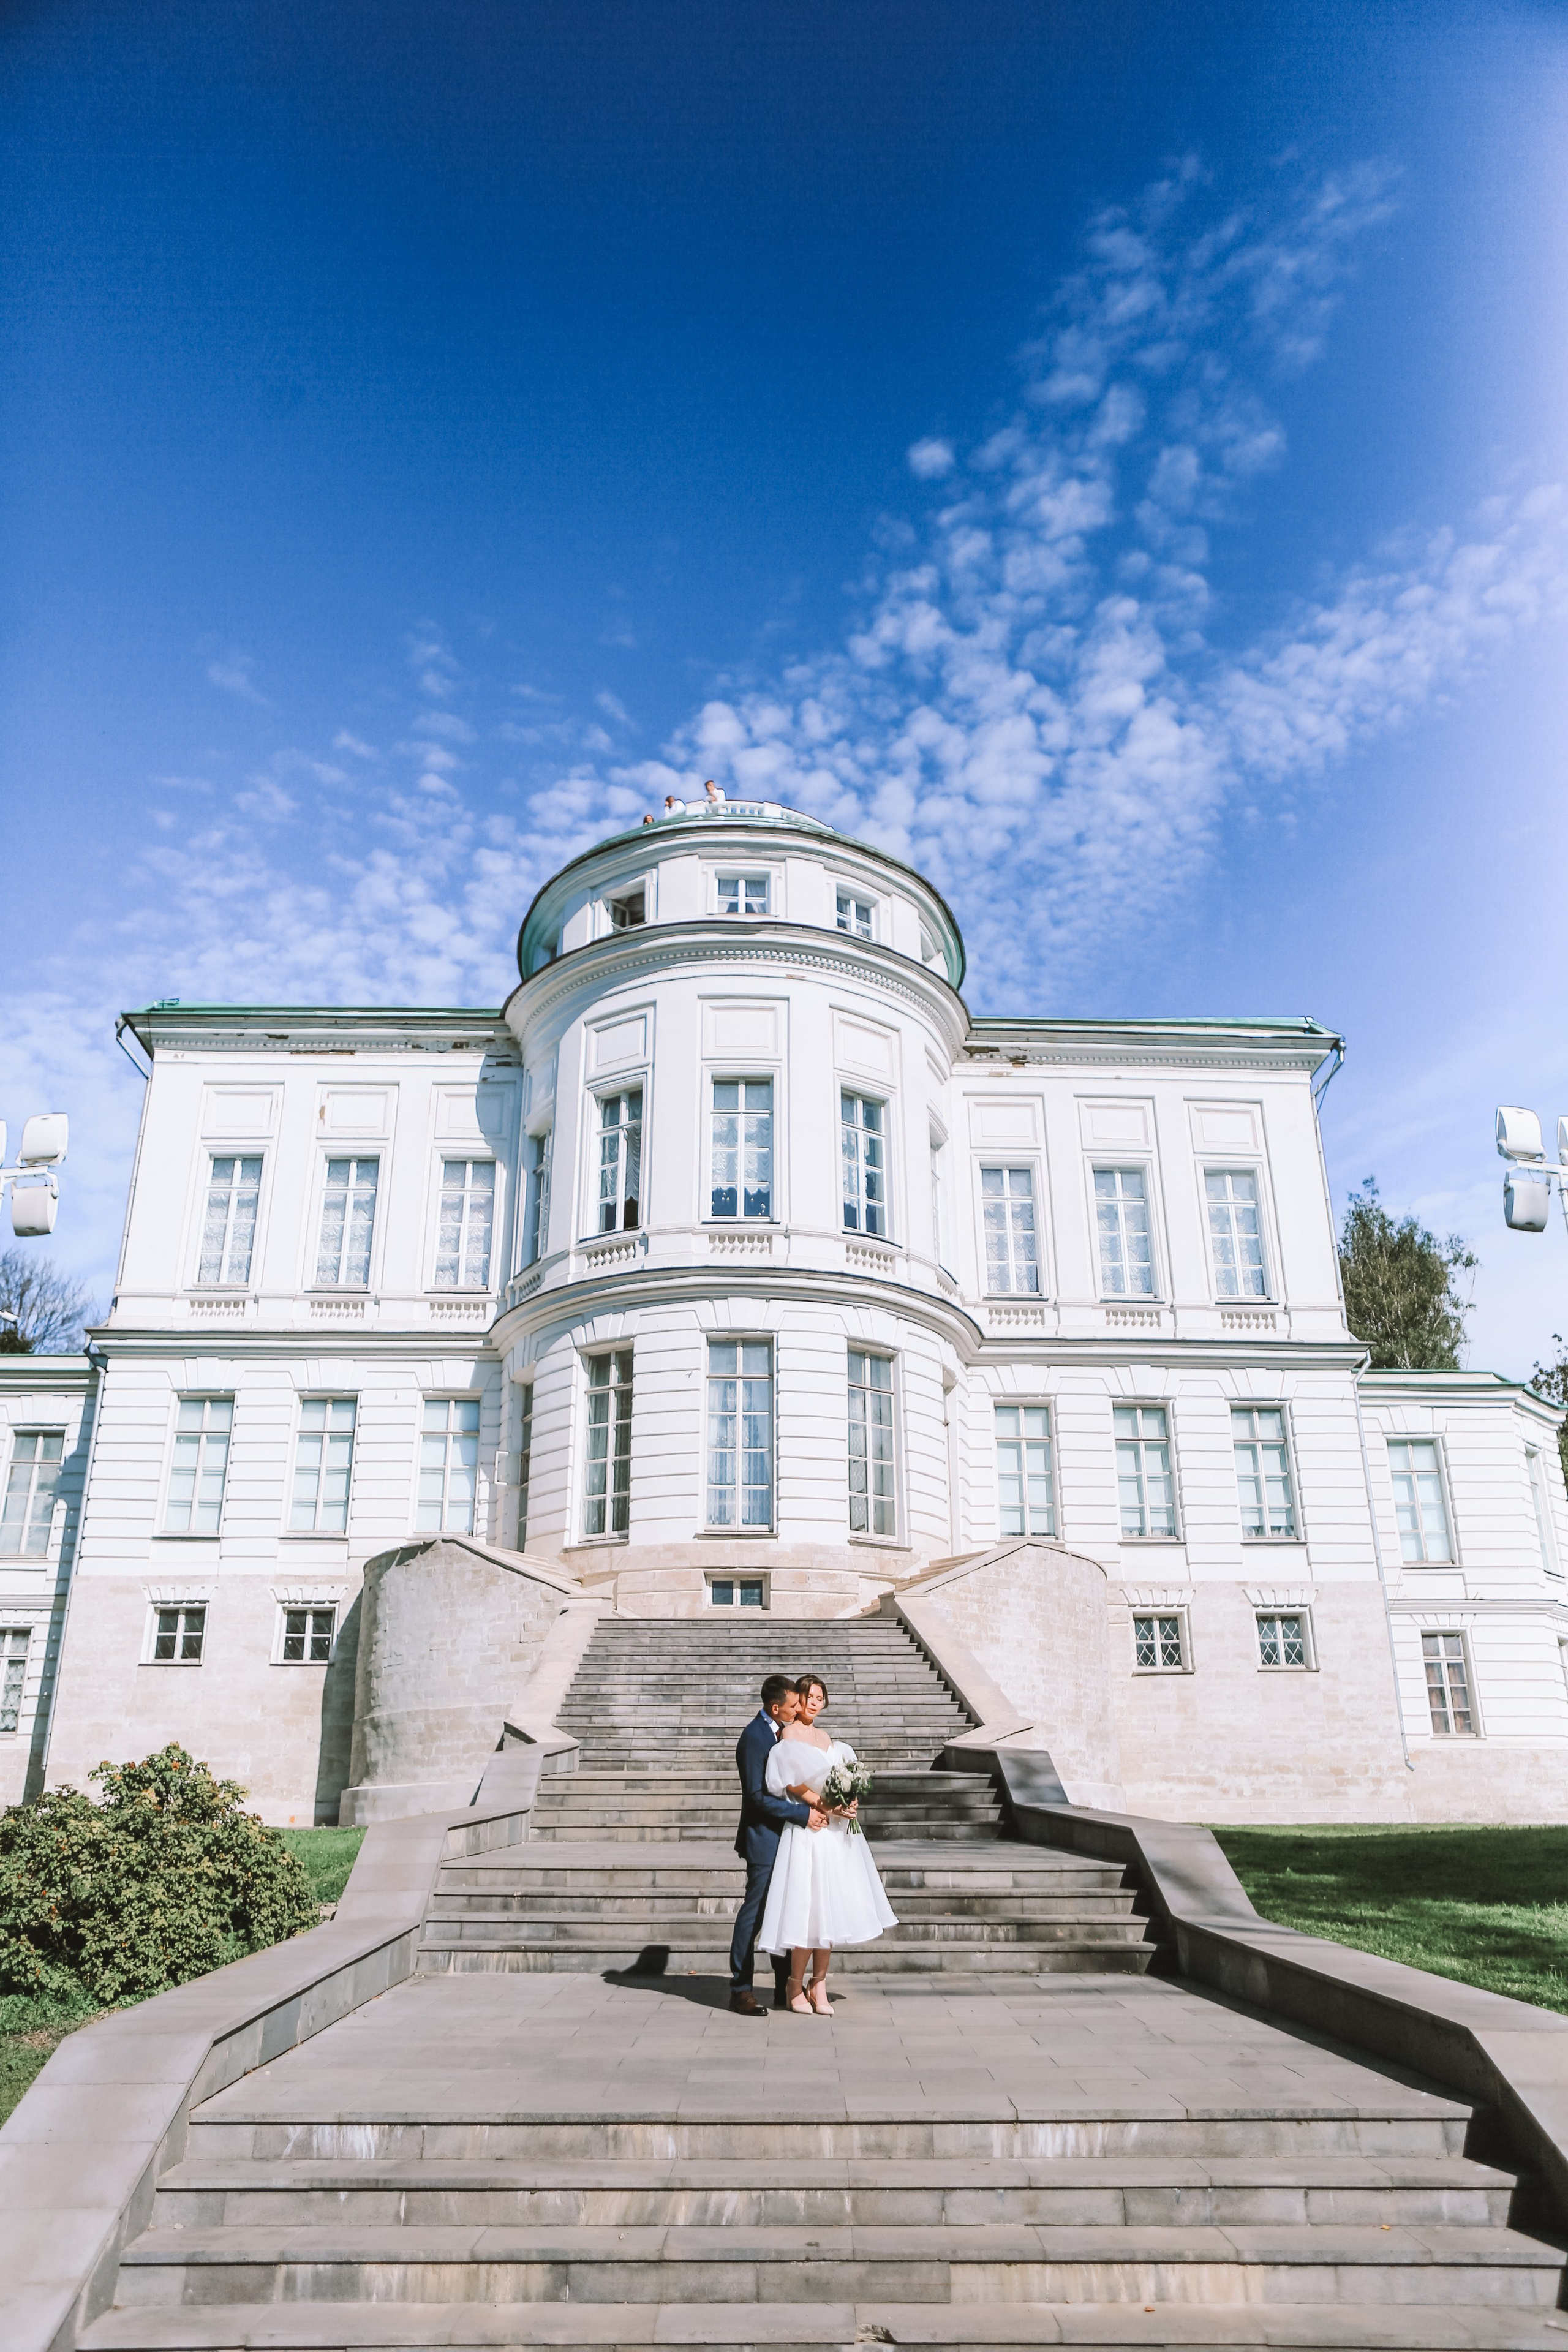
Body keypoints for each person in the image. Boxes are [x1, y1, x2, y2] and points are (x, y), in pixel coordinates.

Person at [758, 1672, 898, 2015]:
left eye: (820, 1698)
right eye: (808, 1697)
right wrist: (825, 1806)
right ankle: (794, 1983)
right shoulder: (790, 1733)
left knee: (831, 1908)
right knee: (808, 1908)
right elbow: (792, 1785)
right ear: (799, 1700)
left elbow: (843, 1781)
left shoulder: (828, 1738)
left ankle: (818, 1982)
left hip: (836, 1832)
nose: (814, 1703)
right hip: (810, 1829)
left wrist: (850, 1803)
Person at [729, 1673, 826, 2016]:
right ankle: (741, 1989)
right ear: (776, 1708)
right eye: (794, 1704)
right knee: (754, 1915)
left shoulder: (780, 1731)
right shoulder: (755, 1738)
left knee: (784, 1911)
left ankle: (787, 1984)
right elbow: (756, 1797)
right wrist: (802, 1814)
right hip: (765, 1839)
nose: (800, 1707)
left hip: (787, 1837)